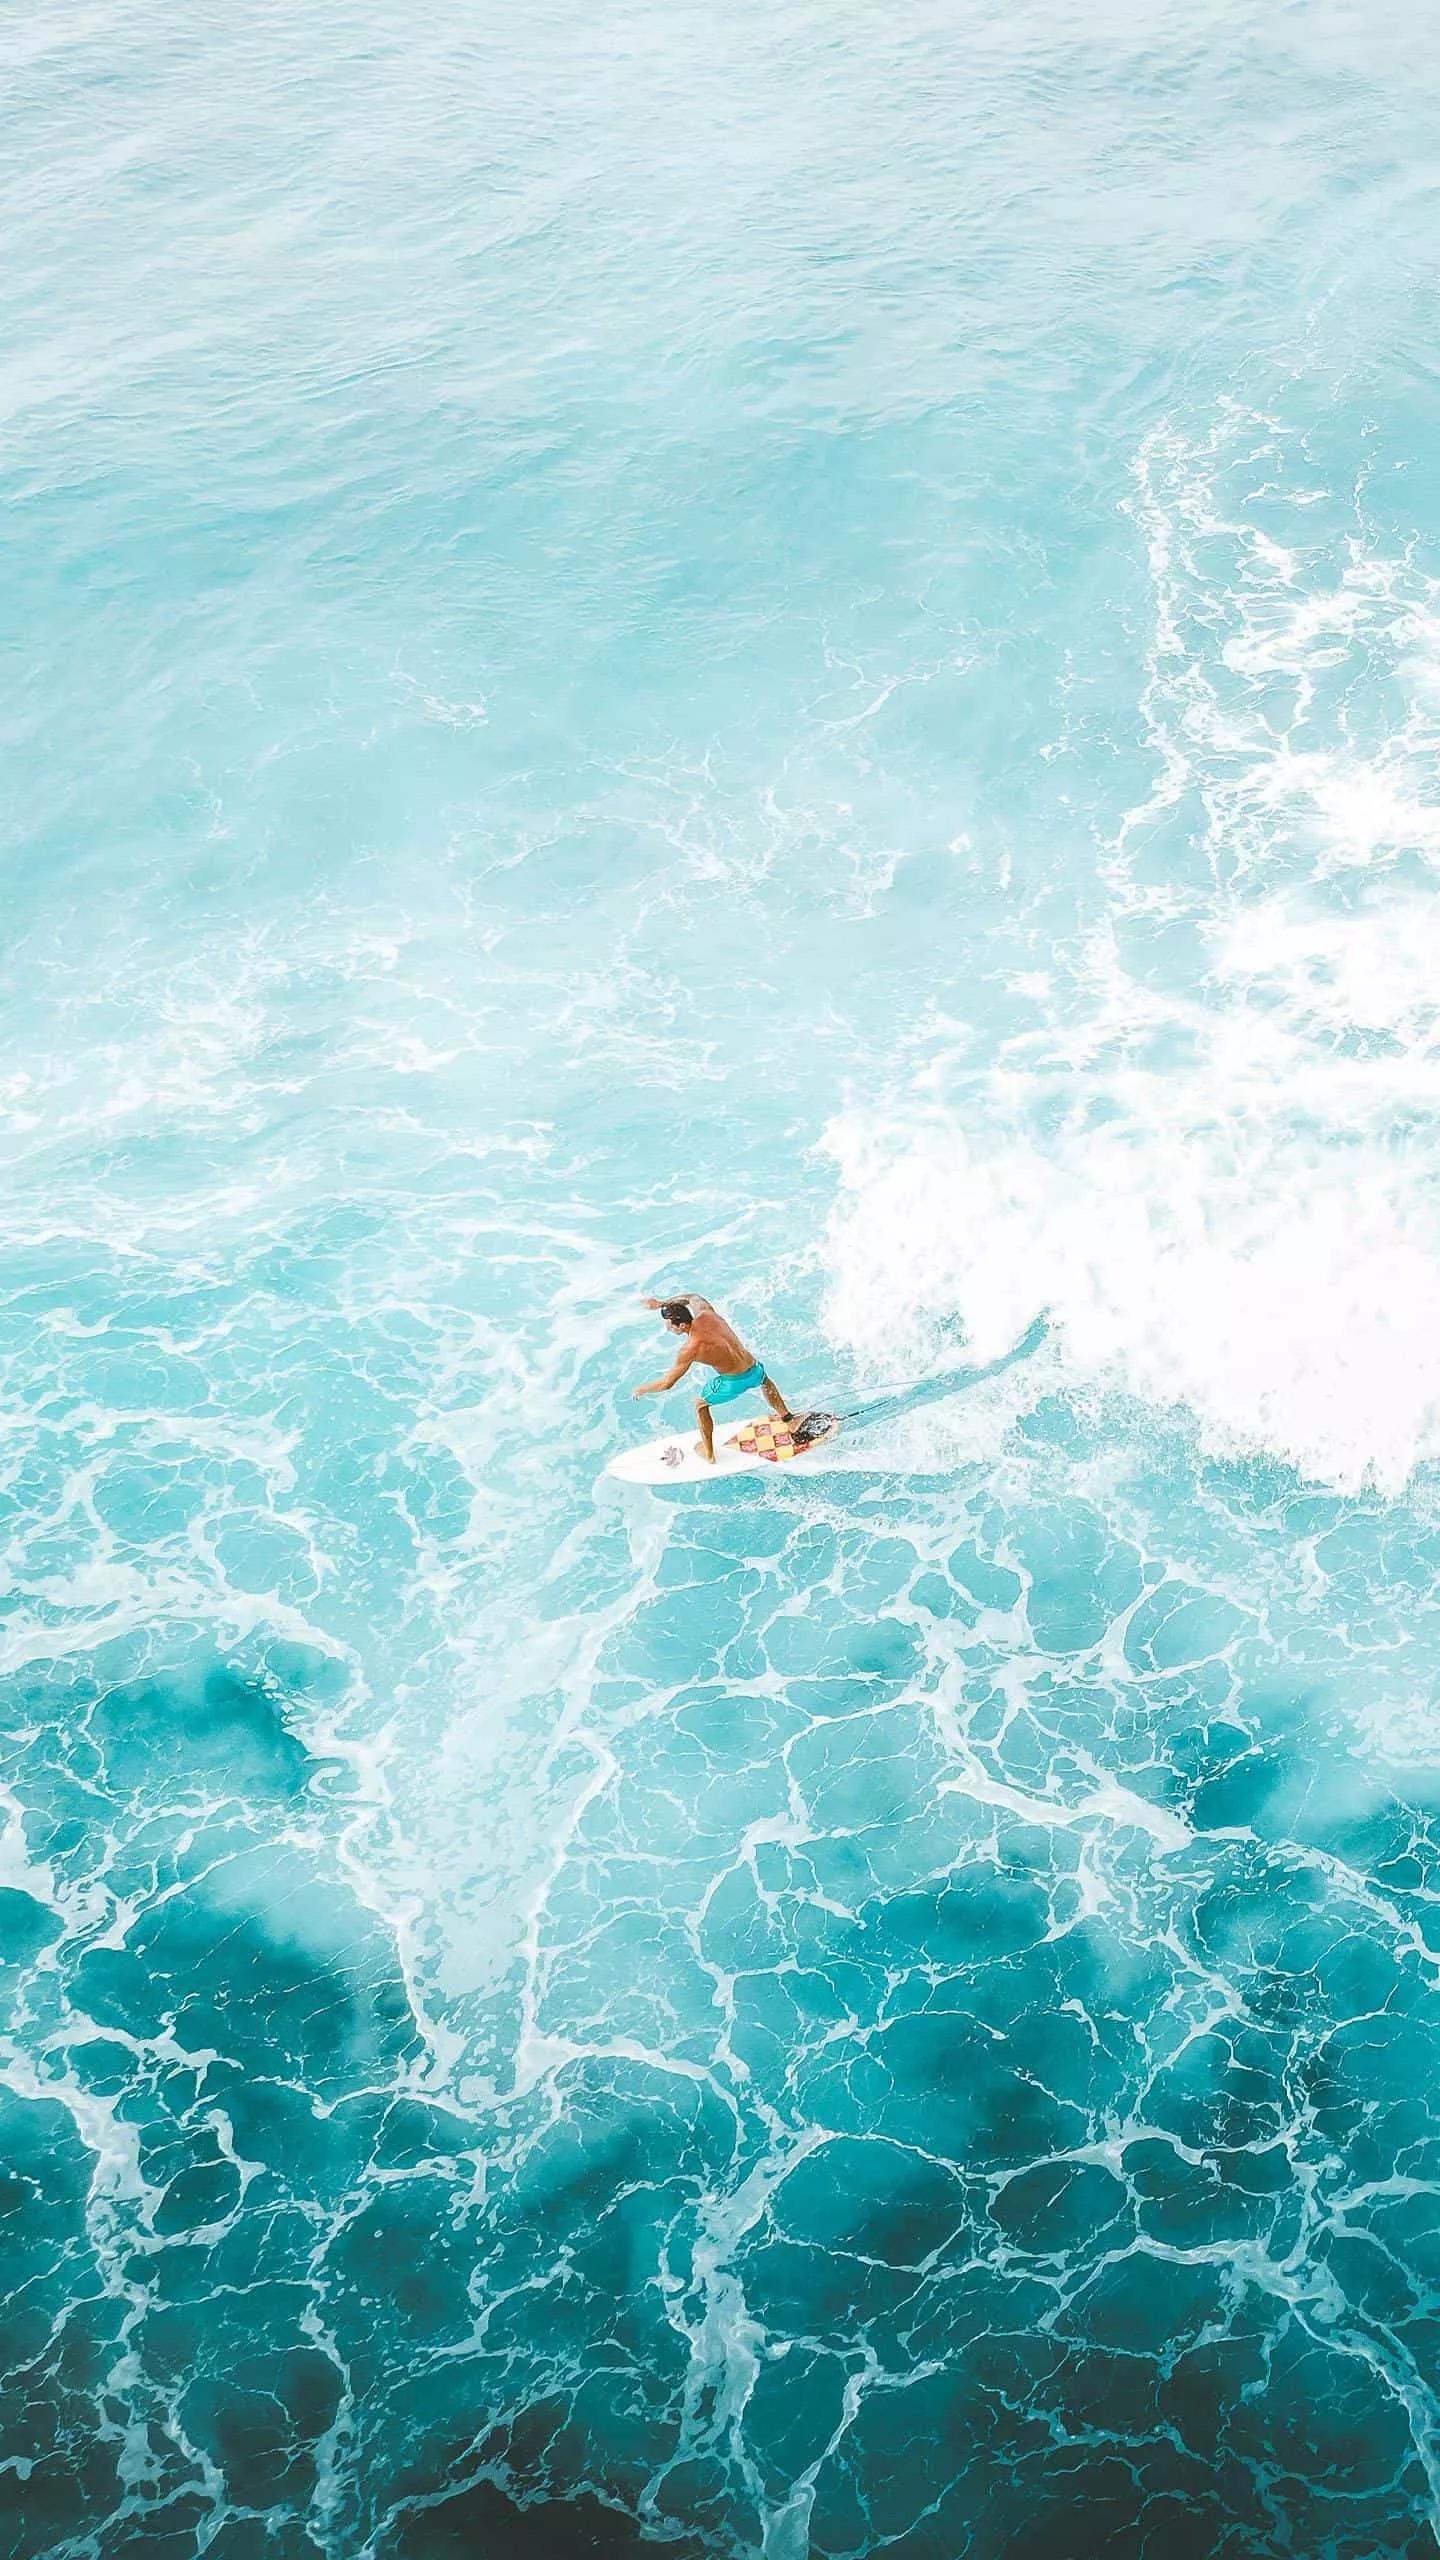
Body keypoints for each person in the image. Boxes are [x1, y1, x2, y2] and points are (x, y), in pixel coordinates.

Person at [634, 1294, 800, 1463]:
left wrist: (642, 1389)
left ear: (682, 1325)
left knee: (699, 1405)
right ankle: (788, 1418)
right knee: (764, 1380)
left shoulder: (690, 1348)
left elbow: (667, 1383)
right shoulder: (706, 1313)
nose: (669, 1330)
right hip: (755, 1368)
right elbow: (692, 1297)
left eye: (670, 1327)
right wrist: (662, 1304)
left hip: (734, 1382)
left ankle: (709, 1455)